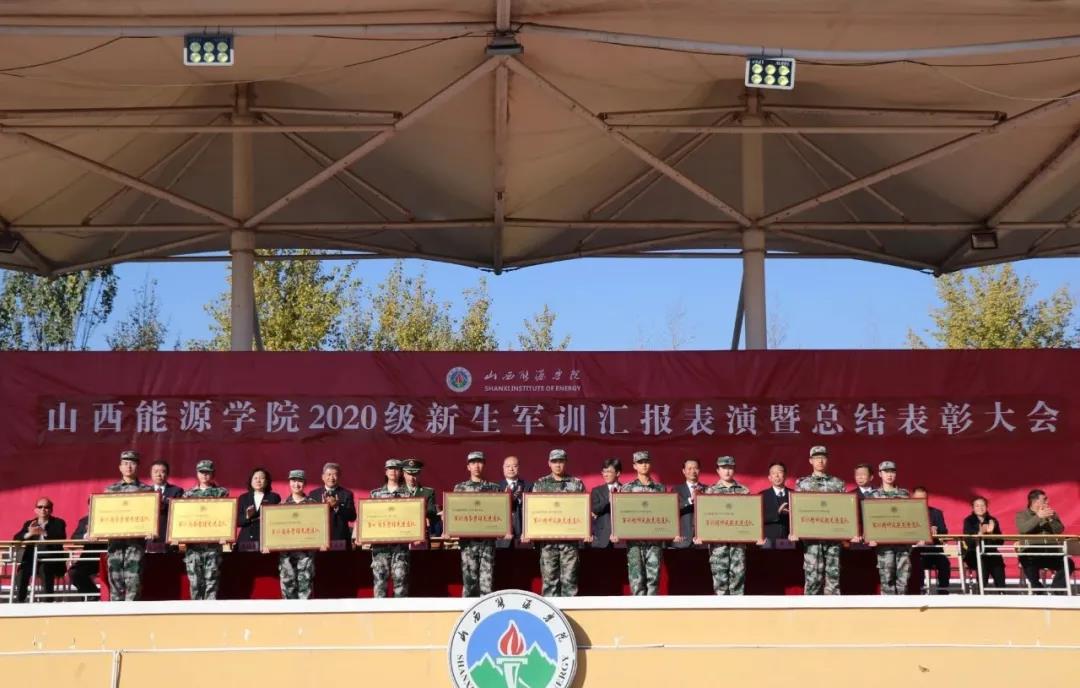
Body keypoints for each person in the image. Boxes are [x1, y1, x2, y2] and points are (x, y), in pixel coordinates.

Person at [530, 449, 586, 597]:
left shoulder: (576, 484)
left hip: (570, 543)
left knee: (570, 582)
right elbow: (533, 510)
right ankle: (550, 612)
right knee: (550, 583)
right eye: (554, 461)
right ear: (549, 463)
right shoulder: (540, 484)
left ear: (565, 462)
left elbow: (583, 510)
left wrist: (586, 531)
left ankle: (569, 612)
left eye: (561, 461)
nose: (558, 465)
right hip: (548, 542)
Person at [792, 445, 848, 595]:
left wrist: (849, 531)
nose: (820, 461)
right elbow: (798, 509)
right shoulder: (802, 483)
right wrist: (795, 530)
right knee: (813, 579)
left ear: (827, 460)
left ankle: (833, 610)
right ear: (810, 460)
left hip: (833, 538)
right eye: (816, 458)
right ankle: (810, 610)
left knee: (833, 579)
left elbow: (845, 510)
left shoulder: (838, 483)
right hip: (812, 539)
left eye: (823, 457)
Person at [103, 449, 154, 601]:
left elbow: (150, 515)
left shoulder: (147, 491)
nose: (129, 467)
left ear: (137, 466)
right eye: (125, 463)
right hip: (115, 544)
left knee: (134, 581)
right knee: (115, 581)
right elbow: (103, 515)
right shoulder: (110, 491)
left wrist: (151, 529)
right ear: (120, 467)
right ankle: (116, 613)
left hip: (135, 544)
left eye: (132, 463)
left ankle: (133, 613)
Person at [616, 451, 669, 596]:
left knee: (654, 579)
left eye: (646, 462)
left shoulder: (660, 488)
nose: (644, 465)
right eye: (640, 463)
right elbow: (621, 513)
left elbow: (665, 513)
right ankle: (638, 608)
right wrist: (617, 531)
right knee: (636, 579)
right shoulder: (626, 488)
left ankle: (652, 609)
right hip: (634, 541)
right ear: (634, 466)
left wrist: (671, 531)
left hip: (654, 540)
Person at [697, 456, 752, 595]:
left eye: (730, 468)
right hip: (718, 543)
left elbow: (750, 516)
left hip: (738, 542)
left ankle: (737, 608)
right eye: (724, 468)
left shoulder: (744, 491)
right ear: (718, 470)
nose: (727, 471)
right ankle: (721, 608)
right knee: (719, 579)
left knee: (738, 577)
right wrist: (700, 534)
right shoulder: (710, 491)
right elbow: (704, 516)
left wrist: (755, 534)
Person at [452, 451, 502, 597]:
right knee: (469, 582)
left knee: (487, 583)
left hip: (487, 542)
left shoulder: (494, 488)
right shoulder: (459, 489)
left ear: (484, 465)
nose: (476, 466)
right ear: (468, 467)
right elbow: (454, 513)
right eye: (473, 463)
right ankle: (467, 610)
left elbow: (500, 513)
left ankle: (486, 610)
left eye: (479, 462)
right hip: (468, 543)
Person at [181, 459, 229, 600]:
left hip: (212, 545)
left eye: (208, 472)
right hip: (193, 547)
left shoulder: (221, 493)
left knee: (211, 582)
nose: (205, 475)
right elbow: (183, 518)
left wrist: (225, 534)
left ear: (213, 474)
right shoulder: (188, 494)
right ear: (197, 474)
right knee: (195, 583)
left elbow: (225, 515)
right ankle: (196, 612)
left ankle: (210, 611)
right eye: (202, 472)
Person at [865, 461, 915, 595]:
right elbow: (869, 519)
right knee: (886, 578)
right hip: (883, 544)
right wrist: (870, 536)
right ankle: (888, 607)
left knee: (904, 578)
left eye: (892, 472)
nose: (889, 475)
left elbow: (911, 517)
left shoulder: (904, 494)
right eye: (886, 472)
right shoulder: (873, 495)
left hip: (903, 543)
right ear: (880, 474)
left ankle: (903, 606)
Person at [1015, 489, 1073, 593]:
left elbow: (1059, 530)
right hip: (1032, 553)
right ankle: (1039, 591)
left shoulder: (1051, 513)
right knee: (1025, 560)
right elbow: (1023, 529)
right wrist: (1038, 517)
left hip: (1051, 552)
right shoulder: (1022, 515)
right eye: (1044, 499)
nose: (1048, 501)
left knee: (1068, 563)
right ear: (1035, 501)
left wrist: (1050, 519)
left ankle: (1056, 591)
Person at [368, 459, 411, 598]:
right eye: (390, 468)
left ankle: (401, 612)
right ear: (385, 472)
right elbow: (368, 518)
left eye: (396, 469)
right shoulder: (375, 494)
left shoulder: (408, 495)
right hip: (380, 547)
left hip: (400, 546)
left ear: (401, 472)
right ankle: (379, 612)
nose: (393, 471)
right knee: (380, 583)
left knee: (400, 582)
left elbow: (412, 518)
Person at [13, 498, 67, 602]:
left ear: (51, 510)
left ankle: (48, 601)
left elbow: (61, 537)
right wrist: (30, 533)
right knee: (22, 572)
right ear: (35, 510)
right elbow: (16, 538)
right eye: (40, 507)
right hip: (31, 559)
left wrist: (44, 533)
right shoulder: (30, 523)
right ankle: (19, 601)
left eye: (46, 507)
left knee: (45, 569)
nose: (43, 509)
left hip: (51, 560)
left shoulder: (58, 522)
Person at [278, 469, 317, 600]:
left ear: (305, 483)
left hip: (306, 555)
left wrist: (322, 542)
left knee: (305, 589)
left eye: (300, 481)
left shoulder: (314, 505)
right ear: (289, 483)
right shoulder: (281, 505)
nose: (296, 484)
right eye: (293, 481)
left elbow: (318, 527)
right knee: (287, 588)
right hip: (286, 555)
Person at [962, 496, 1006, 592]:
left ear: (986, 507)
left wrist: (992, 534)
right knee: (982, 561)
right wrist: (980, 533)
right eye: (977, 506)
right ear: (973, 508)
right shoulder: (969, 521)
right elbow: (968, 542)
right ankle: (981, 591)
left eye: (983, 505)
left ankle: (1002, 591)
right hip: (974, 553)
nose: (980, 508)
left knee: (997, 562)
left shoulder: (992, 520)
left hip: (991, 553)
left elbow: (1000, 541)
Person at [308, 462, 357, 548]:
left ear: (339, 477)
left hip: (340, 539)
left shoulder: (347, 494)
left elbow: (352, 517)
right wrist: (321, 508)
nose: (331, 478)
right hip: (319, 539)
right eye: (329, 474)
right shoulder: (313, 494)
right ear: (323, 477)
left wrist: (337, 506)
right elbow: (309, 517)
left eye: (335, 475)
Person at [912, 486, 950, 593]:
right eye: (918, 498)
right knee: (915, 563)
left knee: (944, 563)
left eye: (923, 498)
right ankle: (918, 591)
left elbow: (944, 533)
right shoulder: (908, 514)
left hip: (934, 550)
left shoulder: (936, 513)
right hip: (916, 551)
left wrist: (936, 529)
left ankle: (943, 592)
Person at [237, 468, 281, 547]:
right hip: (246, 541)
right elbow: (237, 522)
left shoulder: (274, 497)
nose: (258, 481)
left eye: (262, 478)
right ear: (251, 481)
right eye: (255, 478)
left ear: (267, 481)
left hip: (266, 540)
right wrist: (247, 516)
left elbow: (278, 520)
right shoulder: (243, 498)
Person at [496, 456, 530, 549]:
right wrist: (499, 532)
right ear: (503, 468)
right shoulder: (496, 488)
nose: (511, 469)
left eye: (514, 466)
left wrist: (528, 532)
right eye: (508, 466)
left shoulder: (528, 487)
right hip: (502, 538)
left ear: (519, 468)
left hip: (523, 538)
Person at [403, 459, 442, 537]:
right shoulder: (398, 491)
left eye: (415, 474)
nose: (411, 478)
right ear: (404, 474)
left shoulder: (428, 492)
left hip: (423, 529)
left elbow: (431, 511)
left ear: (419, 474)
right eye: (409, 474)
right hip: (403, 528)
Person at [68, 504, 100, 599]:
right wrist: (86, 536)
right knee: (74, 572)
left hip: (109, 555)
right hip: (89, 557)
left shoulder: (112, 518)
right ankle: (93, 595)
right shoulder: (84, 521)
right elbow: (74, 538)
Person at [673, 458, 705, 549]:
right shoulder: (676, 490)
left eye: (695, 468)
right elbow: (673, 511)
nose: (693, 471)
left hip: (702, 541)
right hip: (682, 540)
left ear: (699, 470)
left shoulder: (708, 489)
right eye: (689, 468)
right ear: (684, 471)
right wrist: (690, 500)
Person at [149, 460, 184, 543]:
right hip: (149, 537)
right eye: (155, 472)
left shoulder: (176, 491)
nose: (159, 475)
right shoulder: (145, 492)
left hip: (168, 537)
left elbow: (179, 513)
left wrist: (164, 500)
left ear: (167, 474)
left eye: (162, 472)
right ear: (151, 474)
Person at [590, 458, 622, 549]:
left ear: (617, 473)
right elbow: (595, 509)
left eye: (609, 471)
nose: (605, 474)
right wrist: (608, 499)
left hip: (621, 537)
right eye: (604, 472)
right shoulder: (597, 491)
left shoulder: (626, 489)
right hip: (602, 538)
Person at [760, 462, 791, 544]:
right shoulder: (762, 495)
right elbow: (757, 519)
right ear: (769, 477)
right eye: (773, 473)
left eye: (780, 472)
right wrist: (777, 513)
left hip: (789, 540)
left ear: (785, 475)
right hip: (768, 541)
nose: (777, 475)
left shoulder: (794, 495)